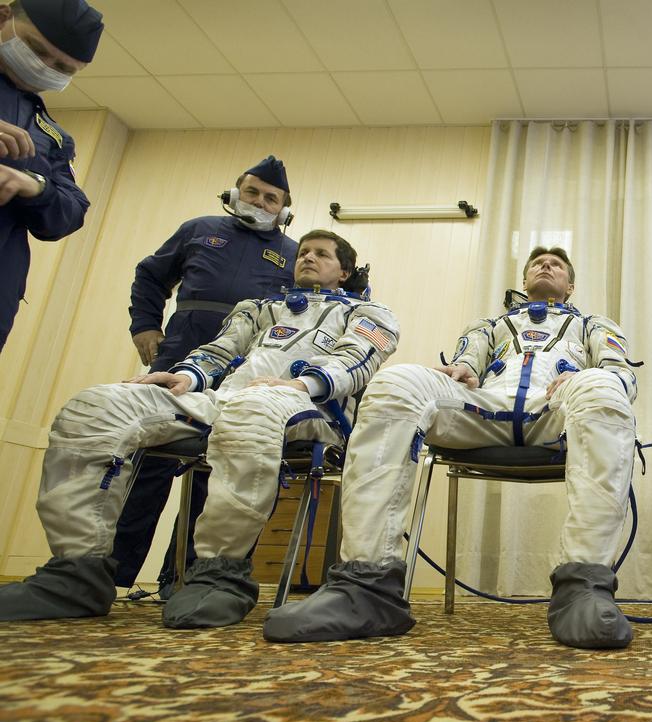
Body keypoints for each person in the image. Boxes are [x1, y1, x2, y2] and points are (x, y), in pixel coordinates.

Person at [0, 230, 397, 622]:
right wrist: (186, 377)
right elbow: (218, 351)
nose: (308, 257)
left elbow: (354, 360)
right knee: (96, 407)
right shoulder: (258, 308)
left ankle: (219, 574)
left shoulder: (369, 314)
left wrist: (298, 383)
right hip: (224, 401)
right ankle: (75, 573)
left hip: (309, 409)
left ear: (344, 272)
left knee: (252, 412)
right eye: (304, 251)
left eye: (322, 254)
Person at [262, 246, 640, 649]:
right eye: (537, 264)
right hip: (485, 408)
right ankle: (365, 586)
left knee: (603, 388)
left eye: (557, 265)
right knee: (397, 383)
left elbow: (620, 373)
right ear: (525, 280)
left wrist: (588, 381)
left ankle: (583, 586)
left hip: (556, 409)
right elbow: (468, 363)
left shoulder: (594, 325)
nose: (546, 266)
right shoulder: (490, 326)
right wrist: (462, 370)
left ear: (571, 285)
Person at [112, 155, 299, 595]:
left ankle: (186, 578)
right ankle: (112, 573)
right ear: (234, 193)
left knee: (219, 467)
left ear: (285, 210)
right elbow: (150, 276)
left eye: (271, 198)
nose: (260, 202)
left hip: (245, 364)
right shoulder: (199, 229)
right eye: (252, 192)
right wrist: (144, 325)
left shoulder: (294, 254)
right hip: (179, 350)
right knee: (151, 459)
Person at [0, 0, 103, 353]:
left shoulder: (51, 136)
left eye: (63, 67)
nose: (45, 68)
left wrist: (33, 185)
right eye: (36, 50)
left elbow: (71, 211)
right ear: (3, 17)